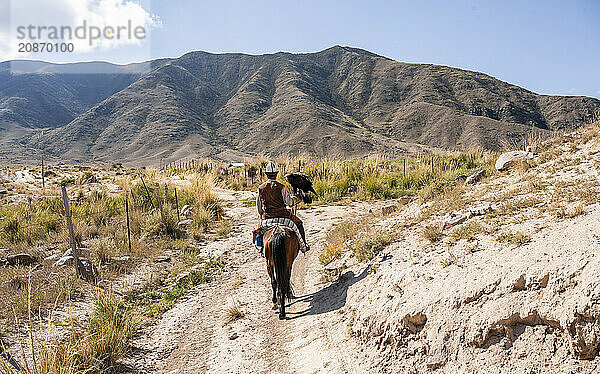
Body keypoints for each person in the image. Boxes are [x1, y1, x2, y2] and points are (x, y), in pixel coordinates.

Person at [256, 161, 309, 251]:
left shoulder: (261, 188)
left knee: (257, 230)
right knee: (299, 224)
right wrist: (296, 198)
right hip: (283, 216)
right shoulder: (282, 187)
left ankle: (260, 246)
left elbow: (259, 207)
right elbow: (289, 203)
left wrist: (262, 215)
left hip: (267, 217)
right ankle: (303, 246)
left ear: (266, 175)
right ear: (276, 174)